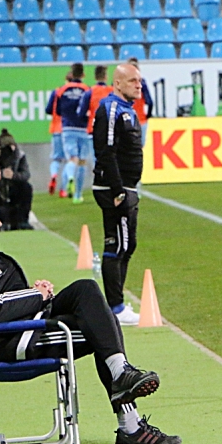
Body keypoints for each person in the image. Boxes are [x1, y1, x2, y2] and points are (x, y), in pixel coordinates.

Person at [0, 187, 180, 444]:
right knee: (99, 328)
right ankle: (129, 422)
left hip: (13, 329)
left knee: (86, 293)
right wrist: (35, 296)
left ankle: (122, 378)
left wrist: (33, 293)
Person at [91, 62, 144, 327]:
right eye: (133, 80)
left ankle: (117, 304)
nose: (139, 85)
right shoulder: (110, 108)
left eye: (139, 80)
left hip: (127, 186)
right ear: (118, 83)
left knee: (127, 243)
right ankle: (115, 307)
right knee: (117, 244)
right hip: (115, 189)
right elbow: (106, 150)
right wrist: (117, 189)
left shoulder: (127, 110)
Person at [48, 63, 90, 204]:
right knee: (82, 161)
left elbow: (56, 110)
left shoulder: (61, 90)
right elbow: (88, 108)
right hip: (83, 128)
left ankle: (67, 177)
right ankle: (78, 195)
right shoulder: (87, 90)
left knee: (70, 159)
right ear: (83, 75)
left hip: (65, 129)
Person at [0, 129, 33, 231]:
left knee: (26, 187)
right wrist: (0, 172)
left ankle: (22, 221)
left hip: (15, 187)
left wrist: (13, 175)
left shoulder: (19, 156)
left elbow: (26, 174)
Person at [124, 57, 154, 145]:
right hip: (141, 119)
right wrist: (148, 115)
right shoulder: (142, 84)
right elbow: (150, 102)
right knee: (139, 147)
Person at [78, 65, 114, 136]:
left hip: (93, 128)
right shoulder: (112, 91)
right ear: (106, 77)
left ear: (95, 77)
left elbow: (81, 113)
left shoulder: (90, 92)